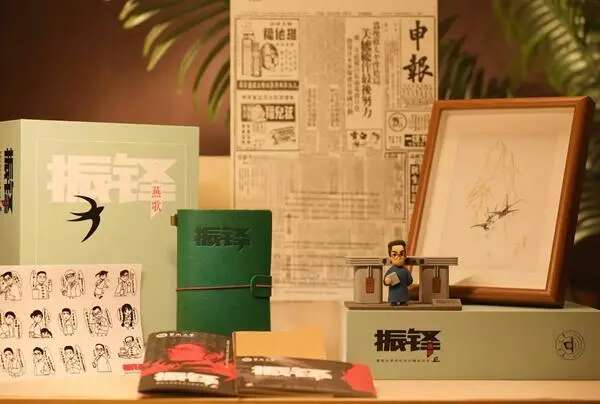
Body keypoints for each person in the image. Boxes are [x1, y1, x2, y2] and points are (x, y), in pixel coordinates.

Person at [383, 240, 413, 305]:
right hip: (393, 294)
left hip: (403, 294)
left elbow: (410, 281)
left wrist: (407, 282)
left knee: (403, 303)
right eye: (394, 254)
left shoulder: (405, 270)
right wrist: (387, 280)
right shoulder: (391, 270)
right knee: (393, 303)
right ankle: (394, 302)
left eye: (401, 254)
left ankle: (403, 302)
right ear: (390, 257)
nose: (398, 257)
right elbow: (385, 281)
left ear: (405, 256)